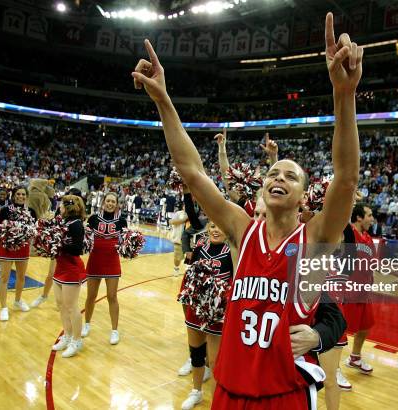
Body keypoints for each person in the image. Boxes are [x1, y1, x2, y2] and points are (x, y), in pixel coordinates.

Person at [132, 11, 360, 406]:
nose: (279, 177)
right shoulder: (242, 227)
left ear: (305, 196)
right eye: (273, 171)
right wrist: (163, 100)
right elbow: (191, 171)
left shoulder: (317, 237)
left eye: (291, 176)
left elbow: (346, 179)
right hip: (230, 389)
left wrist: (344, 95)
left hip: (283, 393)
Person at [179, 221, 233, 410]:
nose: (215, 230)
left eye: (220, 226)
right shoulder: (200, 248)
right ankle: (197, 392)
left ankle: (216, 402)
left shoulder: (232, 252)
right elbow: (190, 278)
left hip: (218, 314)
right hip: (196, 311)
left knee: (215, 361)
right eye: (212, 226)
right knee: (196, 353)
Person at [82, 192, 127, 345]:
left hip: (112, 261)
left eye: (113, 202)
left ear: (116, 204)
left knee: (112, 296)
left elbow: (125, 242)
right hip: (95, 260)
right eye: (108, 201)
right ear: (103, 202)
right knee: (91, 296)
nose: (110, 204)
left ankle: (114, 330)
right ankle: (86, 324)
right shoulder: (93, 218)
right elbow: (86, 239)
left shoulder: (122, 221)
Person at [31, 187, 82, 308]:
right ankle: (44, 296)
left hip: (69, 252)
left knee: (68, 279)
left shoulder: (78, 216)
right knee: (51, 273)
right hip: (58, 249)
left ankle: (64, 302)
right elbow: (54, 224)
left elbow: (78, 241)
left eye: (72, 198)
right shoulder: (61, 210)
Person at [51, 195, 87, 358]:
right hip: (60, 266)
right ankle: (67, 335)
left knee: (71, 306)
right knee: (61, 304)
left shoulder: (76, 224)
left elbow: (78, 249)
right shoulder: (62, 222)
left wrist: (58, 244)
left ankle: (77, 340)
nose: (59, 207)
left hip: (71, 268)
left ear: (67, 207)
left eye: (61, 205)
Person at [342, 203, 376, 375]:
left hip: (364, 291)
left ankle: (354, 358)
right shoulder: (348, 233)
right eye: (369, 215)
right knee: (339, 329)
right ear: (359, 217)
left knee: (365, 327)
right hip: (347, 290)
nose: (372, 219)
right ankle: (332, 368)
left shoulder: (368, 238)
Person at [0, 186, 37, 321]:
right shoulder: (5, 211)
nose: (21, 196)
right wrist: (9, 236)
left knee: (21, 277)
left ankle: (17, 301)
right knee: (4, 278)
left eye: (23, 194)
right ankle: (3, 307)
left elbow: (33, 230)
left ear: (27, 196)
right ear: (13, 196)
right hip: (7, 248)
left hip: (23, 248)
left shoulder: (31, 211)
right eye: (18, 194)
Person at [170, 199, 188, 276]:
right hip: (179, 240)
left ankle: (189, 270)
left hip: (190, 240)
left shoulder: (194, 214)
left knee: (191, 257)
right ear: (183, 206)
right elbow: (171, 222)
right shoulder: (179, 213)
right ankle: (176, 268)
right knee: (177, 258)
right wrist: (183, 220)